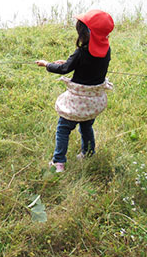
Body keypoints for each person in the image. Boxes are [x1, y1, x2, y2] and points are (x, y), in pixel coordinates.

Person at [36, 10, 114, 173]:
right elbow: (89, 66)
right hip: (93, 102)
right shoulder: (106, 50)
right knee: (86, 126)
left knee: (63, 128)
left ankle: (58, 162)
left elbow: (64, 69)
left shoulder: (81, 52)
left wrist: (47, 64)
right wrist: (70, 62)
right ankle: (88, 152)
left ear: (85, 32)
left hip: (77, 102)